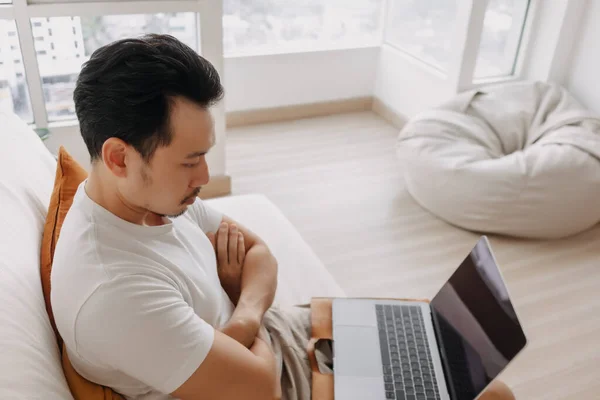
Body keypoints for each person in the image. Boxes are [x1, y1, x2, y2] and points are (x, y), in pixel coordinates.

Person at [51, 34, 514, 400]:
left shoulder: (150, 200)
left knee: (449, 337)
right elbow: (260, 389)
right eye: (190, 161)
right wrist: (244, 304)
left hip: (275, 335)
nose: (206, 176)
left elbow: (260, 254)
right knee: (491, 392)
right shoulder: (113, 291)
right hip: (277, 379)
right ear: (118, 158)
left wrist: (242, 316)